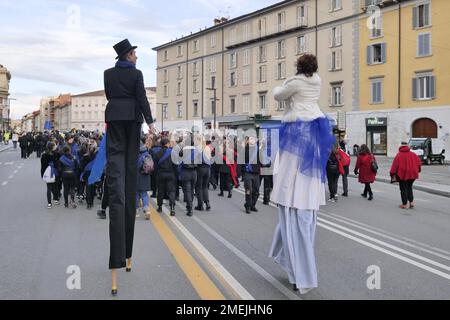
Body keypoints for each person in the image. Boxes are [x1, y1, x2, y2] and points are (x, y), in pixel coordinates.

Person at [269, 54, 335, 294]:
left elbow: (277, 94)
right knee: (308, 171)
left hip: (297, 128)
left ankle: (297, 270)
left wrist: (285, 83)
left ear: (298, 67)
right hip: (314, 128)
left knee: (291, 168)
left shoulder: (295, 82)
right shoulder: (317, 80)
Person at [104, 39, 155, 296]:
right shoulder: (136, 74)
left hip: (114, 119)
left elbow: (109, 95)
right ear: (128, 54)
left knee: (117, 173)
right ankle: (126, 256)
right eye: (135, 53)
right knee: (130, 175)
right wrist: (150, 122)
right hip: (132, 122)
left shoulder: (107, 74)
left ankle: (119, 256)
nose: (137, 57)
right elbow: (142, 98)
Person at [390, 142, 422, 209]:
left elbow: (394, 166)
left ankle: (405, 204)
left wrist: (392, 174)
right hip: (413, 174)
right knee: (409, 187)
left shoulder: (399, 155)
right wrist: (418, 170)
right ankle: (411, 202)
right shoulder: (413, 154)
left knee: (403, 189)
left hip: (403, 174)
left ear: (400, 147)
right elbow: (419, 163)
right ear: (408, 147)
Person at [154, 137, 177, 216]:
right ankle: (172, 207)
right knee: (171, 191)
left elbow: (155, 166)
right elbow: (175, 165)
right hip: (170, 174)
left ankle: (160, 206)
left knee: (160, 191)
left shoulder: (157, 153)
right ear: (167, 144)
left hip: (161, 174)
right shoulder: (172, 152)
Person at [241, 136, 261, 214]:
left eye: (254, 139)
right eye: (251, 139)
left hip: (256, 174)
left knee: (256, 191)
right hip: (247, 173)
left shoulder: (258, 150)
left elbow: (262, 160)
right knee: (248, 190)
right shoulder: (244, 150)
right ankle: (248, 206)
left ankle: (252, 205)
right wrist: (238, 173)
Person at [41, 142, 61, 209]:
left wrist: (42, 174)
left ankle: (49, 203)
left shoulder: (44, 155)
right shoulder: (57, 154)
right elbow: (58, 164)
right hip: (55, 172)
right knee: (55, 186)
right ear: (53, 147)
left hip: (47, 173)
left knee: (48, 188)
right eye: (55, 145)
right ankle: (56, 199)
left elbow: (42, 166)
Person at [195, 134, 212, 212]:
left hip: (200, 168)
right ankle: (207, 203)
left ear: (198, 140)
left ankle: (200, 205)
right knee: (205, 187)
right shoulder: (208, 148)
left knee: (199, 187)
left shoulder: (198, 148)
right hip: (208, 169)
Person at [136, 138, 152, 220]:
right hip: (145, 176)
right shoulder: (147, 154)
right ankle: (147, 210)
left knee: (136, 194)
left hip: (136, 176)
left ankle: (136, 211)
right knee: (144, 194)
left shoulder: (134, 154)